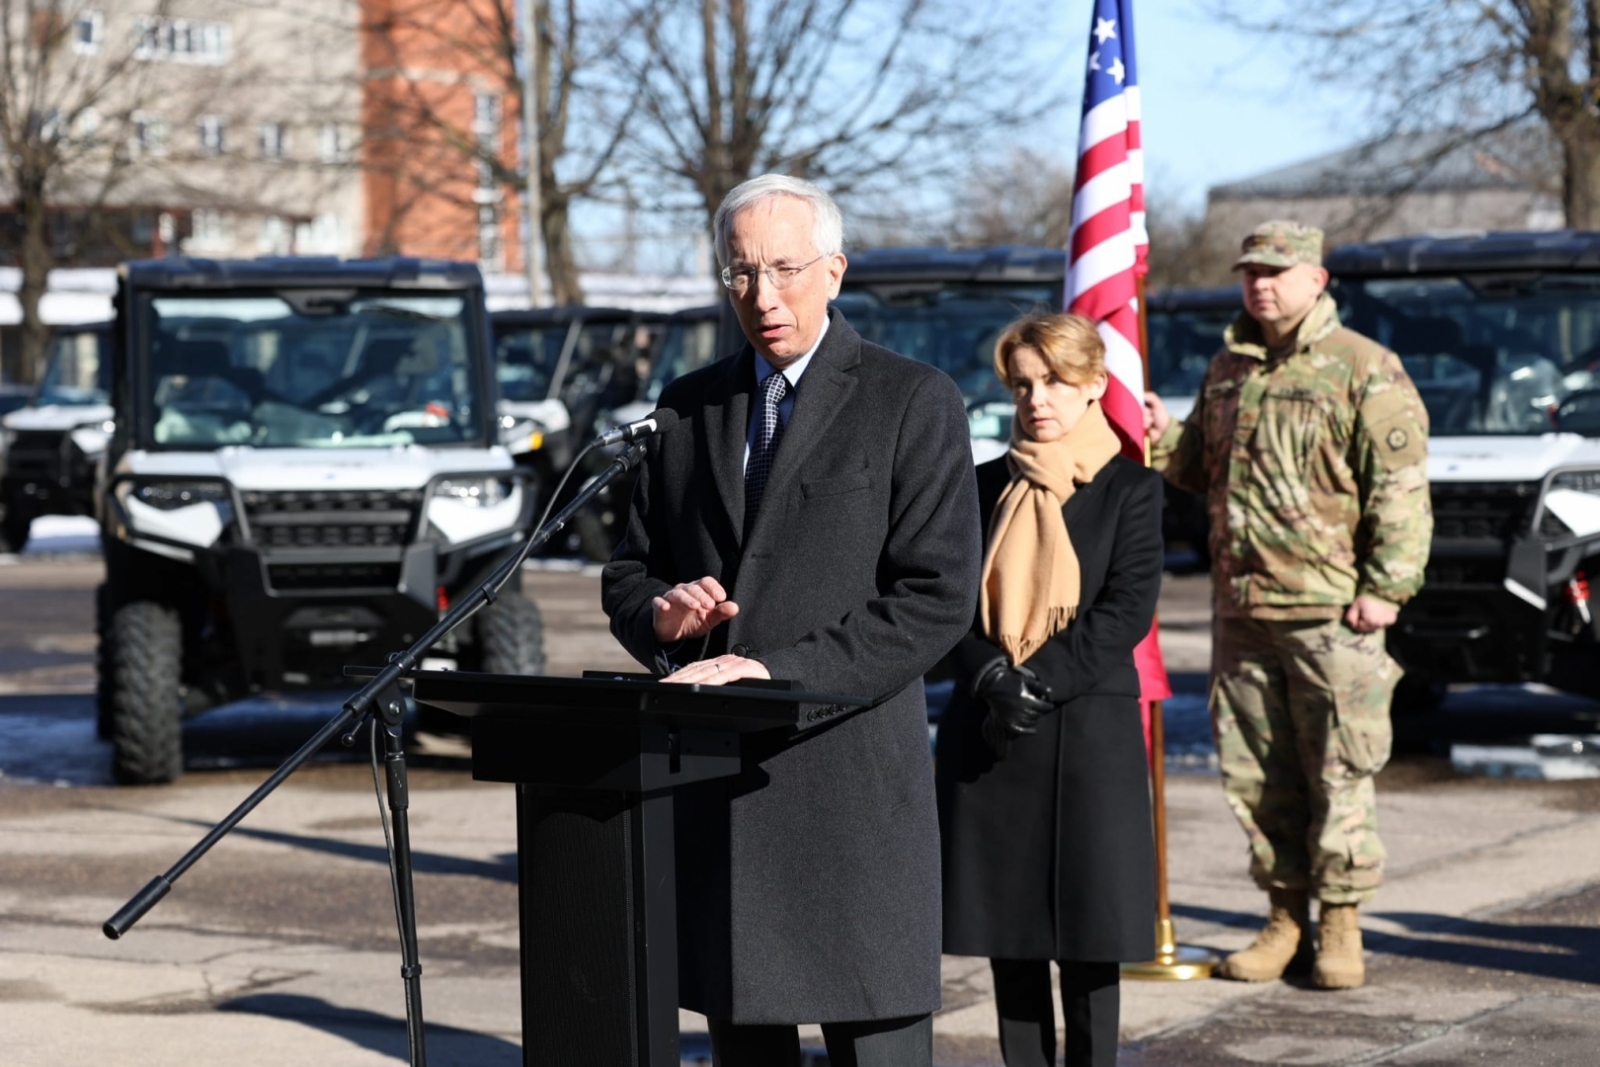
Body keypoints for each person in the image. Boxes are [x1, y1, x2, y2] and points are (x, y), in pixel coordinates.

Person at [601, 174, 981, 1066]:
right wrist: (658, 615)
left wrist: (775, 672)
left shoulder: (911, 400)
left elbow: (934, 597)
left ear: (835, 270)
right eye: (739, 273)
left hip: (850, 789)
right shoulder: (687, 408)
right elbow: (628, 569)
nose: (761, 296)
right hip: (726, 803)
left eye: (784, 268)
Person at [1143, 220, 1432, 990]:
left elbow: (1401, 493)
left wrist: (1386, 588)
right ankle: (1283, 915)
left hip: (1332, 612)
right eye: (1250, 271)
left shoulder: (1363, 369)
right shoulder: (1228, 367)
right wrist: (1159, 432)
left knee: (1339, 772)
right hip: (1243, 610)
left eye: (1276, 270)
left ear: (1317, 278)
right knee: (1257, 773)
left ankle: (1340, 921)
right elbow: (1199, 466)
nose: (1260, 283)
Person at [937, 313, 1161, 1067]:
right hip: (993, 731)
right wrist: (988, 672)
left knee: (1093, 940)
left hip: (1088, 733)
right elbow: (942, 603)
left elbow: (1126, 609)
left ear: (1095, 384)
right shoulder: (977, 486)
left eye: (1057, 381)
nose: (1039, 398)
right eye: (1024, 383)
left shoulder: (1131, 487)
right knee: (1013, 939)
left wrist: (1038, 679)